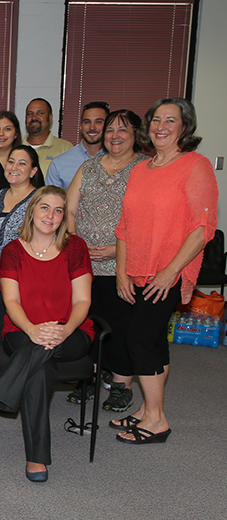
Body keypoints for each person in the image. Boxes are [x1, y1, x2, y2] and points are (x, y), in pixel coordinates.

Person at [0, 186, 94, 482]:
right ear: (33, 210)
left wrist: (65, 329)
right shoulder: (13, 251)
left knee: (43, 350)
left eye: (59, 210)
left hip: (72, 330)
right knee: (39, 368)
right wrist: (33, 329)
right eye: (45, 207)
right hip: (22, 329)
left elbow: (83, 300)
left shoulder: (75, 248)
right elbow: (11, 302)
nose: (52, 215)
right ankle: (36, 459)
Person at [111, 97, 218, 444]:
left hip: (168, 272)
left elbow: (203, 229)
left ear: (185, 126)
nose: (161, 127)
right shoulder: (141, 168)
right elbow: (125, 227)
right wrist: (122, 271)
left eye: (170, 120)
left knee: (138, 339)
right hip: (137, 270)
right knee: (154, 340)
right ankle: (146, 408)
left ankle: (157, 420)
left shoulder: (195, 165)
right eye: (156, 119)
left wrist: (170, 271)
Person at [65, 109, 148, 411]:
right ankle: (88, 377)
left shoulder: (145, 169)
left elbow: (149, 222)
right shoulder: (89, 167)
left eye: (122, 130)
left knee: (122, 324)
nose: (114, 135)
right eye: (110, 129)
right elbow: (70, 210)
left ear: (137, 134)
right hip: (84, 263)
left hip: (124, 264)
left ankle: (121, 385)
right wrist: (78, 243)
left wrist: (117, 249)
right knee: (86, 321)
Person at [0, 145, 45, 357]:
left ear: (33, 171)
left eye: (22, 163)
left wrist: (10, 270)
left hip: (23, 280)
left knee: (17, 337)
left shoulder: (40, 200)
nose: (14, 167)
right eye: (11, 161)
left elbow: (45, 243)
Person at [45, 101, 109, 189]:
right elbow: (50, 200)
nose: (92, 127)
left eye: (98, 122)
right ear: (81, 126)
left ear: (108, 125)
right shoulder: (59, 164)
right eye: (87, 122)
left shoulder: (119, 161)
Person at [24, 98, 73, 177]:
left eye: (40, 113)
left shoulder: (65, 148)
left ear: (50, 118)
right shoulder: (15, 146)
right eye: (30, 113)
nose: (34, 117)